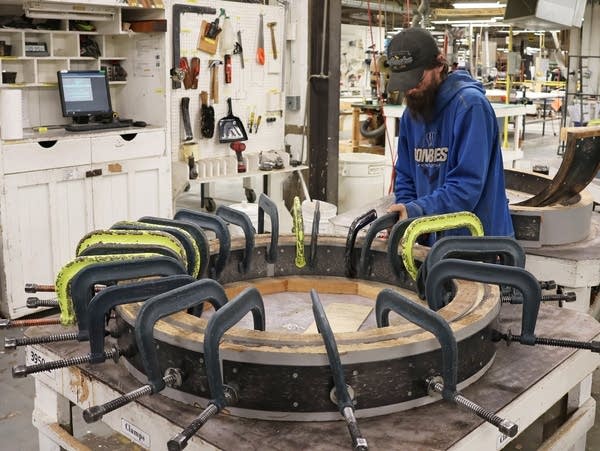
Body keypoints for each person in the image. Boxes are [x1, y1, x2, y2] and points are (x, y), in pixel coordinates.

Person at [386, 27, 514, 243]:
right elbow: (406, 176)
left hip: (479, 244)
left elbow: (467, 186)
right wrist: (407, 219)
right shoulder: (411, 115)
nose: (410, 90)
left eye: (417, 79)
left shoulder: (470, 107)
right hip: (432, 239)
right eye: (405, 83)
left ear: (439, 63)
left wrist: (417, 211)